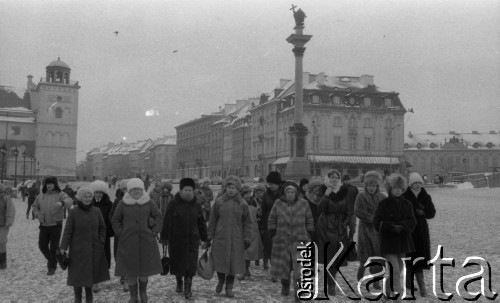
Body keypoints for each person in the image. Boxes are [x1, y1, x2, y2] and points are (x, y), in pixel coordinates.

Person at [112, 178, 163, 303]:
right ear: (129, 190)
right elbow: (115, 219)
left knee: (144, 269)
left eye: (139, 189)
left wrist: (155, 231)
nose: (136, 191)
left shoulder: (149, 202)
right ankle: (133, 296)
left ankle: (143, 292)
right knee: (131, 271)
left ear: (142, 189)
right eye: (133, 189)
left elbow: (158, 216)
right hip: (128, 242)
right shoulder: (122, 203)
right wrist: (120, 232)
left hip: (146, 241)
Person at [59, 187, 110, 303]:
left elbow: (102, 227)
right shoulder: (74, 212)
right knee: (77, 276)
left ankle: (89, 299)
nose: (87, 198)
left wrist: (101, 240)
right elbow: (68, 231)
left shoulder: (96, 211)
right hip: (77, 251)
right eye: (85, 196)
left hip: (93, 249)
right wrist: (63, 247)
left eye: (89, 196)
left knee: (90, 277)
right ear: (80, 198)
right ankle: (77, 298)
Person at [160, 178, 207, 299]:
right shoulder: (174, 203)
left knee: (190, 265)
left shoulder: (196, 204)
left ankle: (188, 288)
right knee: (178, 264)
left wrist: (204, 238)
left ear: (193, 190)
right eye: (185, 190)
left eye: (190, 190)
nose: (188, 192)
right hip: (176, 240)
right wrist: (164, 237)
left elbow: (201, 222)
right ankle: (179, 282)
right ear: (181, 190)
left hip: (192, 240)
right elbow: (167, 221)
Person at [207, 176, 252, 298]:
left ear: (237, 189)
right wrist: (209, 236)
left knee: (233, 264)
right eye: (229, 187)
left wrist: (247, 237)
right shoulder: (219, 202)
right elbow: (212, 220)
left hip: (236, 239)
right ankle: (221, 280)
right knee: (220, 261)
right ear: (225, 188)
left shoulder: (242, 204)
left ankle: (229, 287)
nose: (231, 190)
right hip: (221, 237)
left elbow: (247, 223)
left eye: (233, 188)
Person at [374, 174, 417, 299]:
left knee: (398, 271)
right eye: (395, 188)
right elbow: (377, 222)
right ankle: (398, 297)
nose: (397, 190)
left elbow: (412, 221)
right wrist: (390, 226)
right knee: (396, 270)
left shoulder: (407, 204)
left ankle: (387, 291)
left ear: (403, 189)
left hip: (402, 241)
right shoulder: (383, 204)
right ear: (390, 189)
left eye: (399, 188)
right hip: (388, 242)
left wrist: (403, 226)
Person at [268, 181, 314, 299]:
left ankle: (298, 290)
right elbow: (272, 219)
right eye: (288, 192)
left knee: (299, 267)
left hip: (299, 238)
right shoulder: (278, 203)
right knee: (285, 266)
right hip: (282, 239)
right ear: (284, 193)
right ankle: (285, 285)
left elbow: (309, 219)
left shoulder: (303, 203)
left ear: (296, 193)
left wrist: (309, 233)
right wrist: (273, 232)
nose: (290, 194)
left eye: (292, 192)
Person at [315, 169, 352, 296]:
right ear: (328, 178)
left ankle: (331, 279)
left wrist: (345, 223)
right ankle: (331, 284)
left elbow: (348, 210)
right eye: (332, 177)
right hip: (326, 226)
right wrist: (326, 194)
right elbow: (319, 208)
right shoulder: (322, 190)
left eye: (337, 177)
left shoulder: (344, 191)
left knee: (338, 257)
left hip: (340, 228)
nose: (334, 179)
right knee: (329, 256)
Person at [403, 173, 436, 297]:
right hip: (409, 230)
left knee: (419, 258)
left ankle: (418, 285)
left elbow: (432, 213)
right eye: (415, 183)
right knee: (409, 257)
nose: (417, 185)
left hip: (421, 230)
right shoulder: (405, 196)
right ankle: (412, 285)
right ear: (411, 184)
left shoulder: (426, 196)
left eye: (419, 183)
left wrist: (423, 212)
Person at [32, 176, 73, 275]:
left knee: (53, 247)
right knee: (42, 246)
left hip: (56, 225)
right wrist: (37, 214)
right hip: (44, 225)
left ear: (55, 184)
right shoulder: (41, 196)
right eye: (47, 183)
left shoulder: (61, 194)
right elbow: (34, 207)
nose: (49, 185)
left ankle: (51, 267)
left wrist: (62, 203)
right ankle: (57, 258)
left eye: (51, 183)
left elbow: (69, 201)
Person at [354, 171, 386, 290]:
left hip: (378, 231)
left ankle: (376, 281)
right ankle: (360, 277)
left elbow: (386, 212)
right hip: (365, 230)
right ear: (365, 186)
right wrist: (373, 218)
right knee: (364, 257)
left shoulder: (383, 197)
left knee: (378, 257)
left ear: (377, 186)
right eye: (369, 185)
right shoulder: (360, 196)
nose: (371, 188)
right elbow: (358, 211)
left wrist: (380, 220)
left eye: (373, 185)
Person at [89, 180, 114, 293]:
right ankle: (95, 280)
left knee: (104, 255)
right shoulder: (88, 202)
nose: (98, 194)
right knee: (92, 256)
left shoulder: (109, 204)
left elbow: (111, 219)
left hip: (104, 234)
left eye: (100, 192)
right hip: (91, 234)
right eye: (96, 192)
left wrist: (109, 231)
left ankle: (102, 276)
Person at [238, 184, 263, 281]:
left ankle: (246, 269)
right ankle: (244, 270)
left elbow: (258, 214)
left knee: (249, 251)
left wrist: (259, 216)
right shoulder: (240, 203)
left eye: (249, 193)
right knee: (244, 251)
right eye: (246, 193)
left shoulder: (254, 202)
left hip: (253, 230)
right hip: (243, 230)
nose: (248, 195)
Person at [109, 179, 129, 292]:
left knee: (129, 255)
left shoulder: (137, 200)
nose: (125, 191)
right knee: (119, 255)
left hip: (131, 233)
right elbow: (112, 216)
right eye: (123, 189)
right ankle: (123, 274)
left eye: (127, 188)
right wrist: (117, 229)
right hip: (120, 234)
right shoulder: (117, 200)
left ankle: (126, 278)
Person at [261, 171, 282, 271]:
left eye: (273, 184)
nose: (271, 186)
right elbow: (263, 210)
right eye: (269, 184)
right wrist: (262, 225)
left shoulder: (284, 193)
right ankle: (271, 264)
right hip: (268, 223)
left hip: (281, 222)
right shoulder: (266, 194)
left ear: (278, 183)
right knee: (269, 245)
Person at [0, 183, 15, 269]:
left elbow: (10, 210)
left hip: (3, 224)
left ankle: (2, 262)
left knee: (1, 242)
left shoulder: (6, 198)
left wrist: (9, 222)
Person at [342, 174, 359, 245]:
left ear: (350, 180)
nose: (347, 181)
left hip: (352, 211)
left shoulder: (354, 189)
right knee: (343, 227)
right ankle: (344, 239)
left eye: (348, 180)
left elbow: (357, 200)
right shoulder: (340, 188)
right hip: (343, 212)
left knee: (352, 227)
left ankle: (351, 237)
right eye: (345, 180)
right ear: (343, 180)